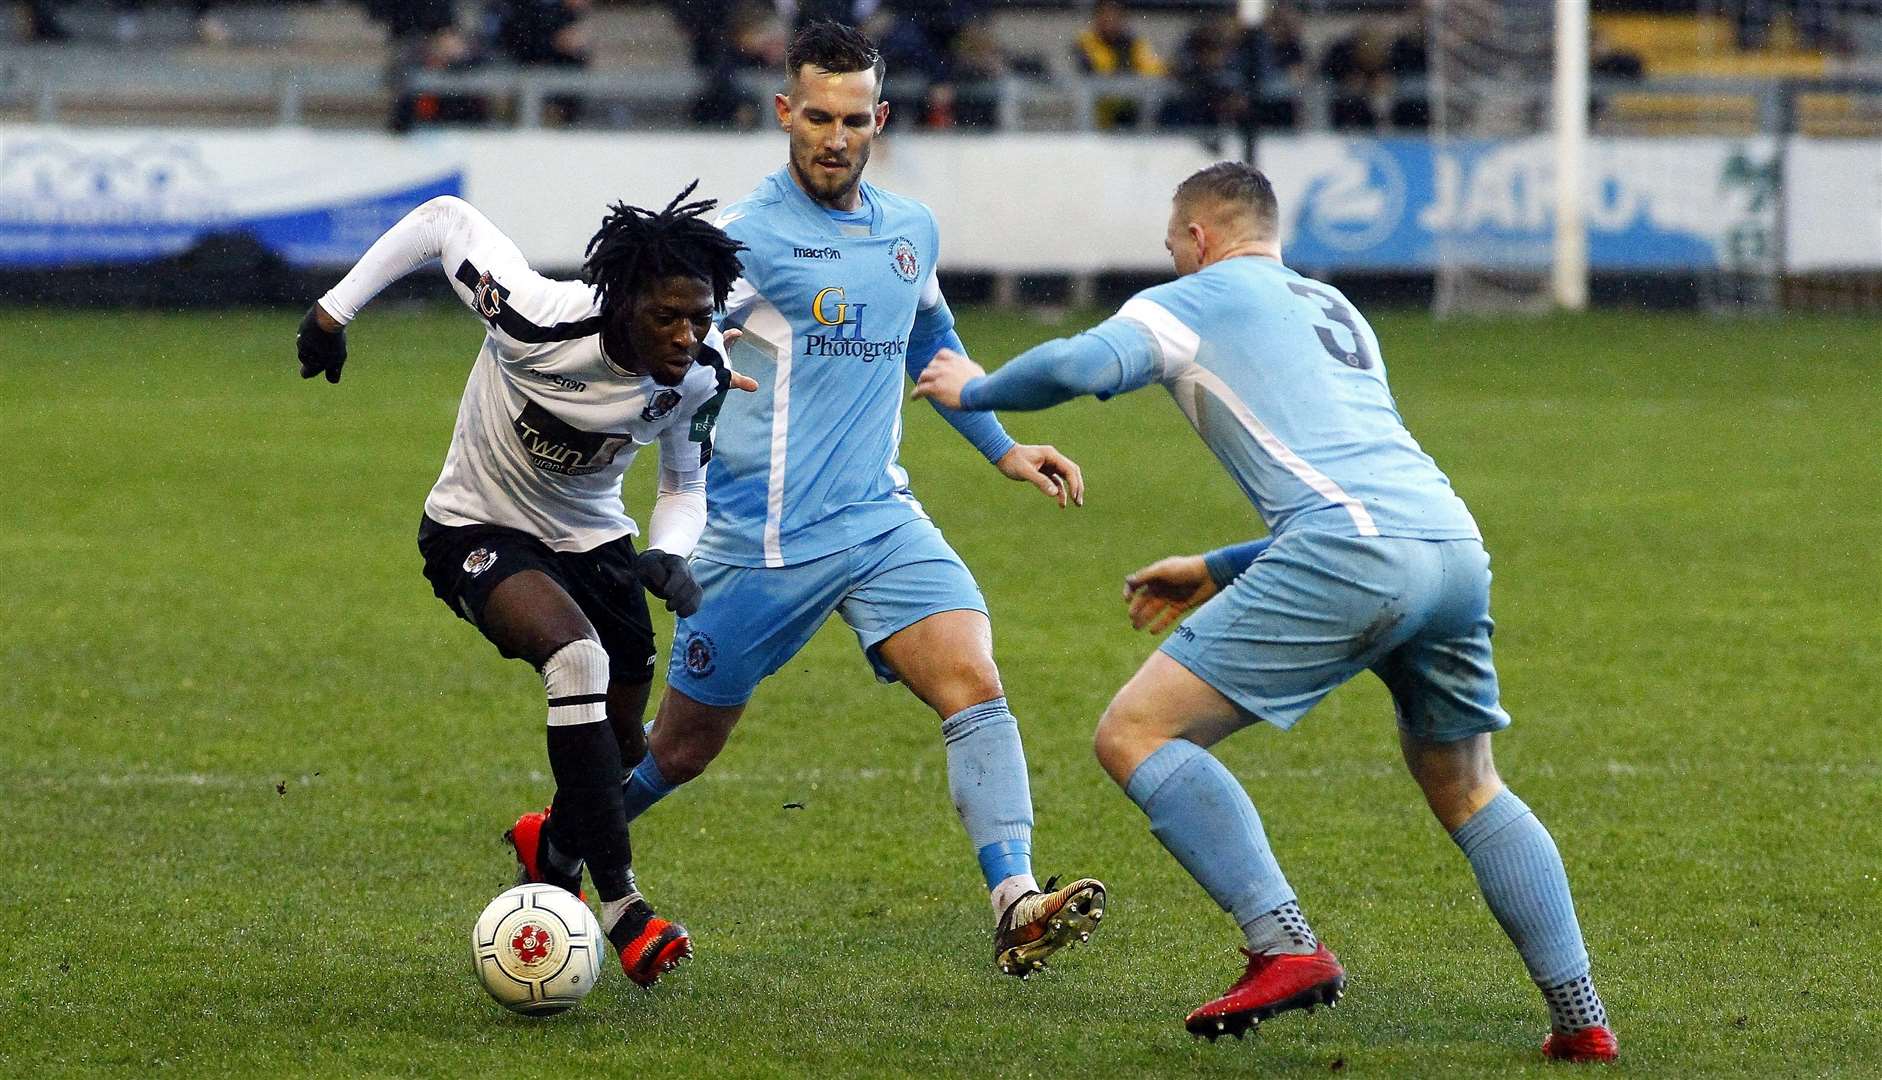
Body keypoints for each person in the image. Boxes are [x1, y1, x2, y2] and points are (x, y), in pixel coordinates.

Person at [911, 162, 1619, 1062]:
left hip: (1354, 552)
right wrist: (1216, 566)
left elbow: (1081, 362)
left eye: (1173, 248)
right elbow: (1362, 481)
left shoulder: (1201, 296)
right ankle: (1581, 1018)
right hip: (1451, 546)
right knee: (1470, 786)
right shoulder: (1338, 311)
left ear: (1199, 239)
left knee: (1135, 734)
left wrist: (975, 387)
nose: (1172, 264)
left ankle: (1283, 945)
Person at [602, 20, 1108, 978]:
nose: (834, 138)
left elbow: (933, 345)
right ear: (784, 112)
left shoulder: (909, 229)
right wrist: (691, 369)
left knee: (973, 680)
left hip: (880, 519)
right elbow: (654, 334)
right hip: (757, 541)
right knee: (681, 748)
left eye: (853, 120)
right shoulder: (741, 240)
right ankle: (566, 835)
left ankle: (1015, 900)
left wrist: (1002, 445)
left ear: (879, 118)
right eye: (816, 117)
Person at [293, 185, 756, 989]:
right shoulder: (536, 316)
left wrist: (671, 554)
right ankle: (623, 907)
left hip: (594, 540)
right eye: (668, 318)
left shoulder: (698, 378)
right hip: (476, 527)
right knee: (575, 659)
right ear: (622, 301)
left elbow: (683, 489)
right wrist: (332, 314)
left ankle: (555, 852)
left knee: (622, 746)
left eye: (701, 318)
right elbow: (444, 219)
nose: (686, 337)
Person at [1075, 0, 1165, 130]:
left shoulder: (1132, 41)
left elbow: (1152, 67)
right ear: (1097, 18)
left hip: (1129, 109)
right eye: (1105, 15)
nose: (1110, 20)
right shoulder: (1085, 41)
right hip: (1098, 113)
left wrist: (1166, 69)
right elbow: (1101, 70)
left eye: (1115, 16)